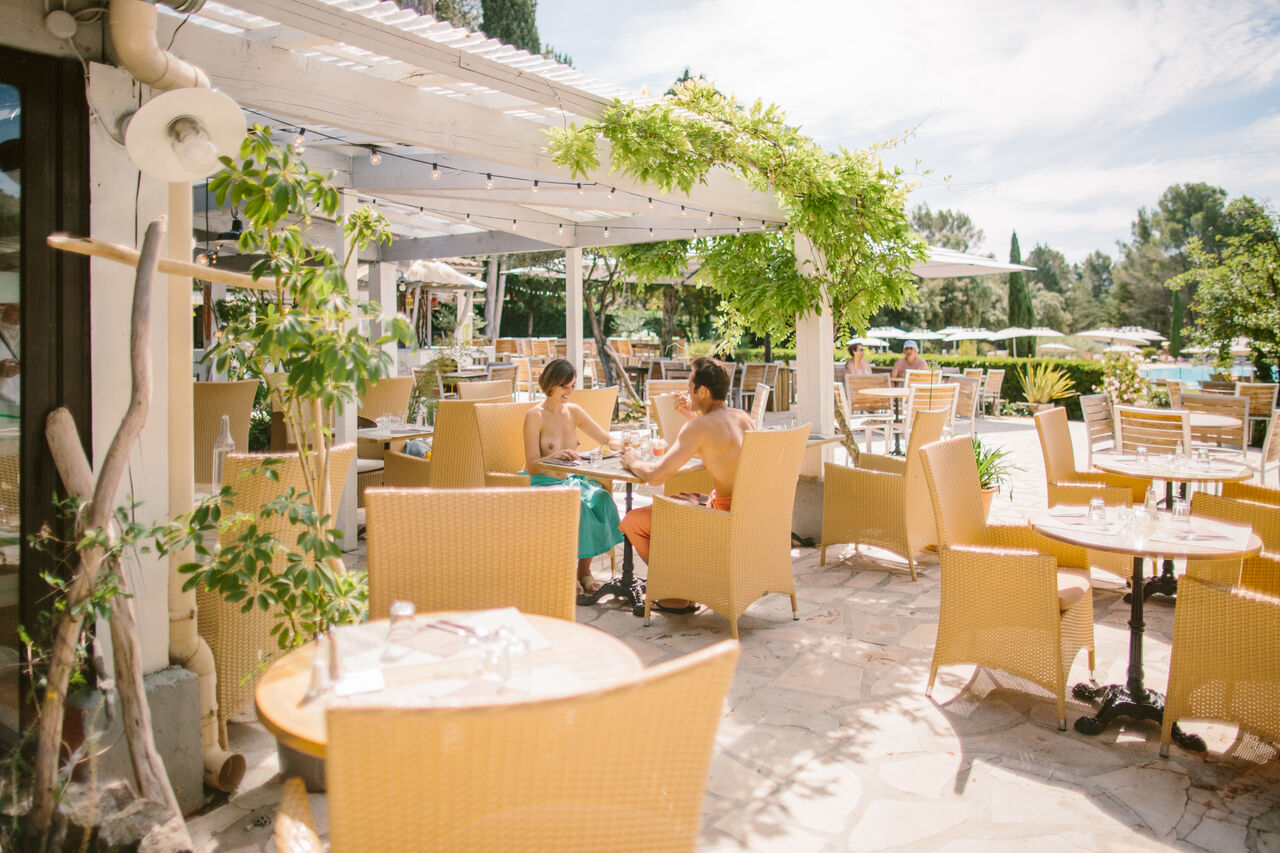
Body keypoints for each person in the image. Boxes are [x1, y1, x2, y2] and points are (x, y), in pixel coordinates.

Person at [617, 357, 755, 613]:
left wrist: (632, 461)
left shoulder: (699, 426)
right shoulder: (742, 418)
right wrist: (690, 414)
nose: (688, 391)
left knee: (633, 521)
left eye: (690, 386)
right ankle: (685, 586)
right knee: (681, 498)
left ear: (702, 390)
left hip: (719, 520)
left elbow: (656, 476)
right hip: (744, 513)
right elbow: (718, 439)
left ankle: (674, 592)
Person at [522, 358, 623, 595]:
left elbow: (605, 439)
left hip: (568, 481)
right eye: (564, 386)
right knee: (576, 504)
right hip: (539, 482)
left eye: (573, 386)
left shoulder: (574, 412)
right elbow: (532, 465)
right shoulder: (534, 415)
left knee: (600, 497)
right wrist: (555, 455)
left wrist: (625, 445)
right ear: (550, 384)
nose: (569, 392)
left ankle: (584, 569)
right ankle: (571, 573)